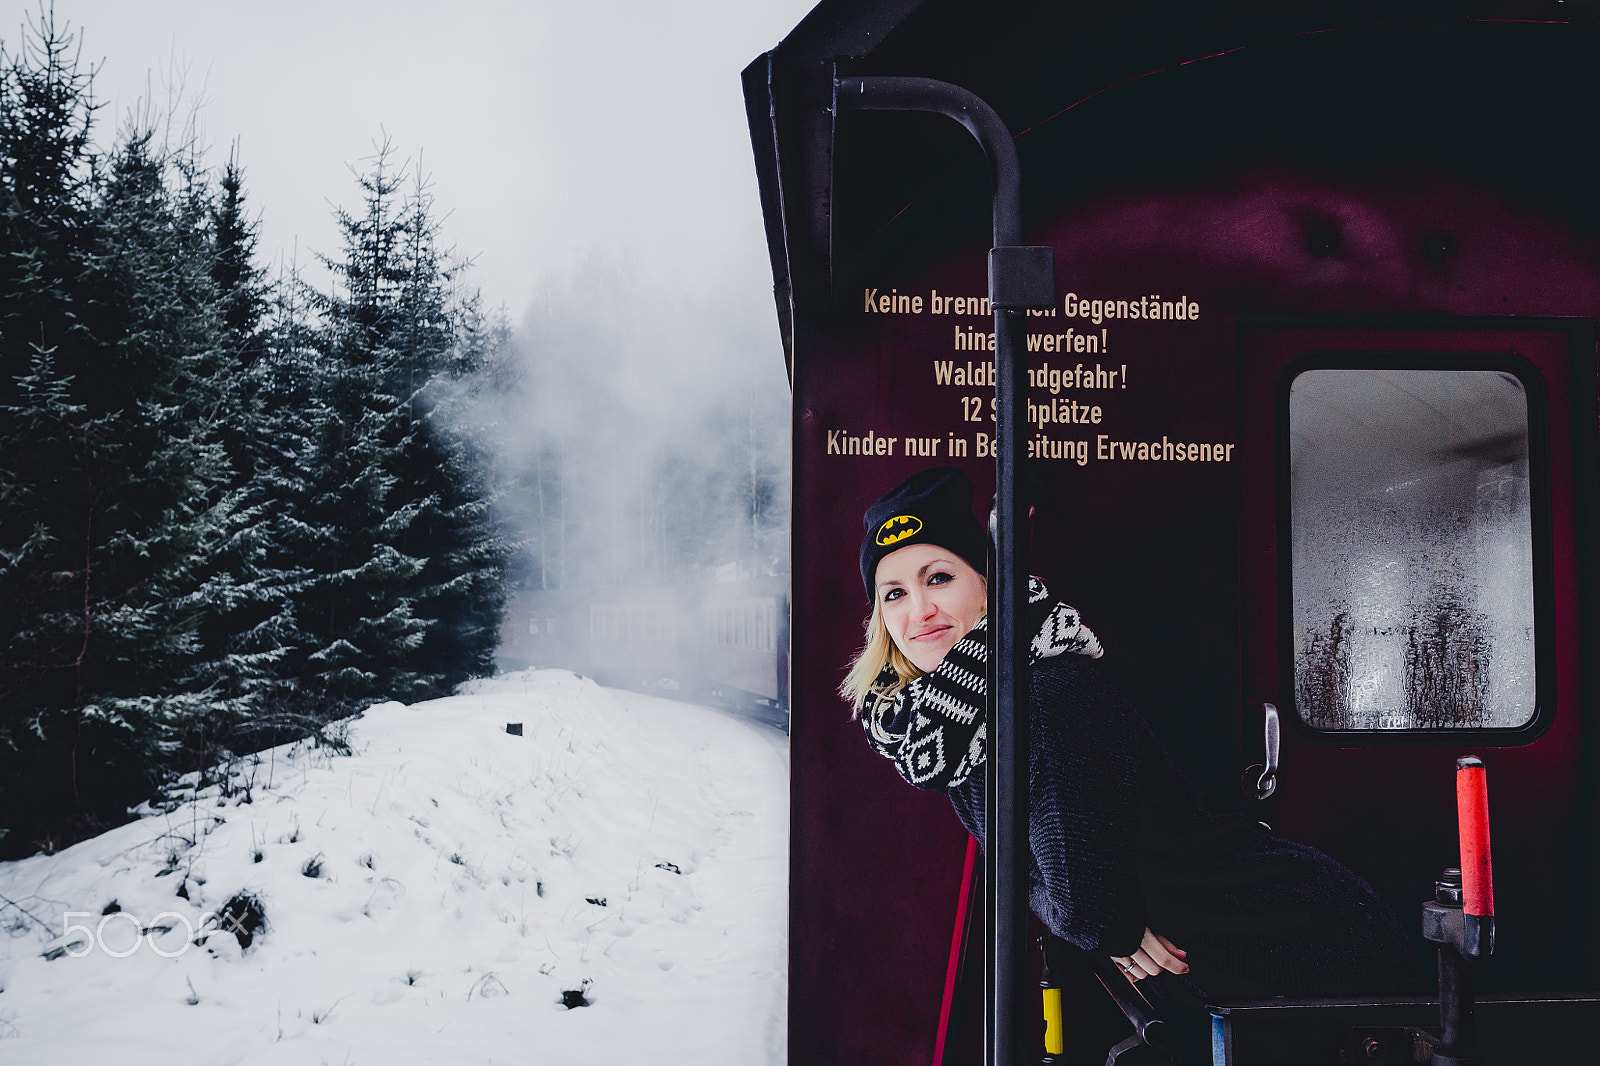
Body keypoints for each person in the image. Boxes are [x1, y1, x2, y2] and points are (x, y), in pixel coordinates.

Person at [842, 466, 1417, 1003]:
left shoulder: (1044, 694)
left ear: (991, 583)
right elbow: (1045, 884)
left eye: (939, 577)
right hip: (1234, 962)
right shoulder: (947, 725)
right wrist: (1103, 922)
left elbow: (1081, 905)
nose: (919, 609)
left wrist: (1107, 925)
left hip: (1304, 939)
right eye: (894, 592)